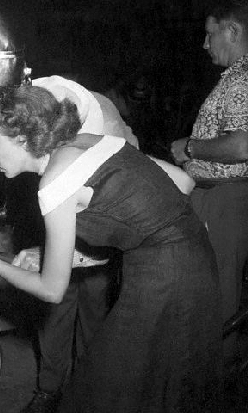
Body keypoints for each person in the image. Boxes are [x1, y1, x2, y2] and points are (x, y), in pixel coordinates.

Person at [0, 85, 223, 412]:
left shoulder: (53, 183)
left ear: (22, 137)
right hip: (191, 263)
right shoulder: (90, 142)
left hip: (163, 281)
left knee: (107, 390)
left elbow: (52, 290)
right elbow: (182, 183)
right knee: (152, 386)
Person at [1, 75, 138, 413]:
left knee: (94, 316)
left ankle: (86, 392)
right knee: (53, 316)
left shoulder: (105, 122)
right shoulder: (44, 109)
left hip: (98, 240)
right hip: (57, 224)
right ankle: (49, 390)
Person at [170, 0, 248, 368]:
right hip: (212, 196)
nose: (205, 43)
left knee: (220, 288)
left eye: (210, 33)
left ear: (232, 32)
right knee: (210, 285)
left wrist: (190, 147)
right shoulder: (234, 78)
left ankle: (219, 373)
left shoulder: (243, 80)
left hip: (225, 198)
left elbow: (242, 145)